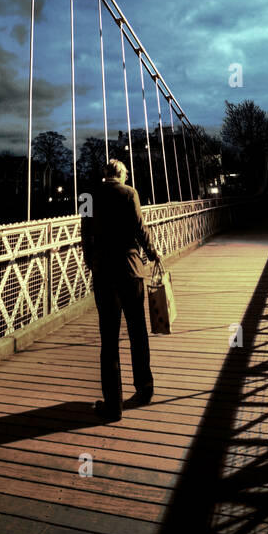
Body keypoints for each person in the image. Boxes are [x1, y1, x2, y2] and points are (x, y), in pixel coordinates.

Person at [81, 157, 163, 422]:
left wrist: (91, 262)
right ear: (122, 175)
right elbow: (140, 228)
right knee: (137, 330)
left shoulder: (86, 195)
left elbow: (85, 235)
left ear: (105, 174)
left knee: (109, 338)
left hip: (104, 272)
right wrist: (152, 253)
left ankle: (113, 404)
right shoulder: (130, 193)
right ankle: (145, 387)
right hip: (130, 270)